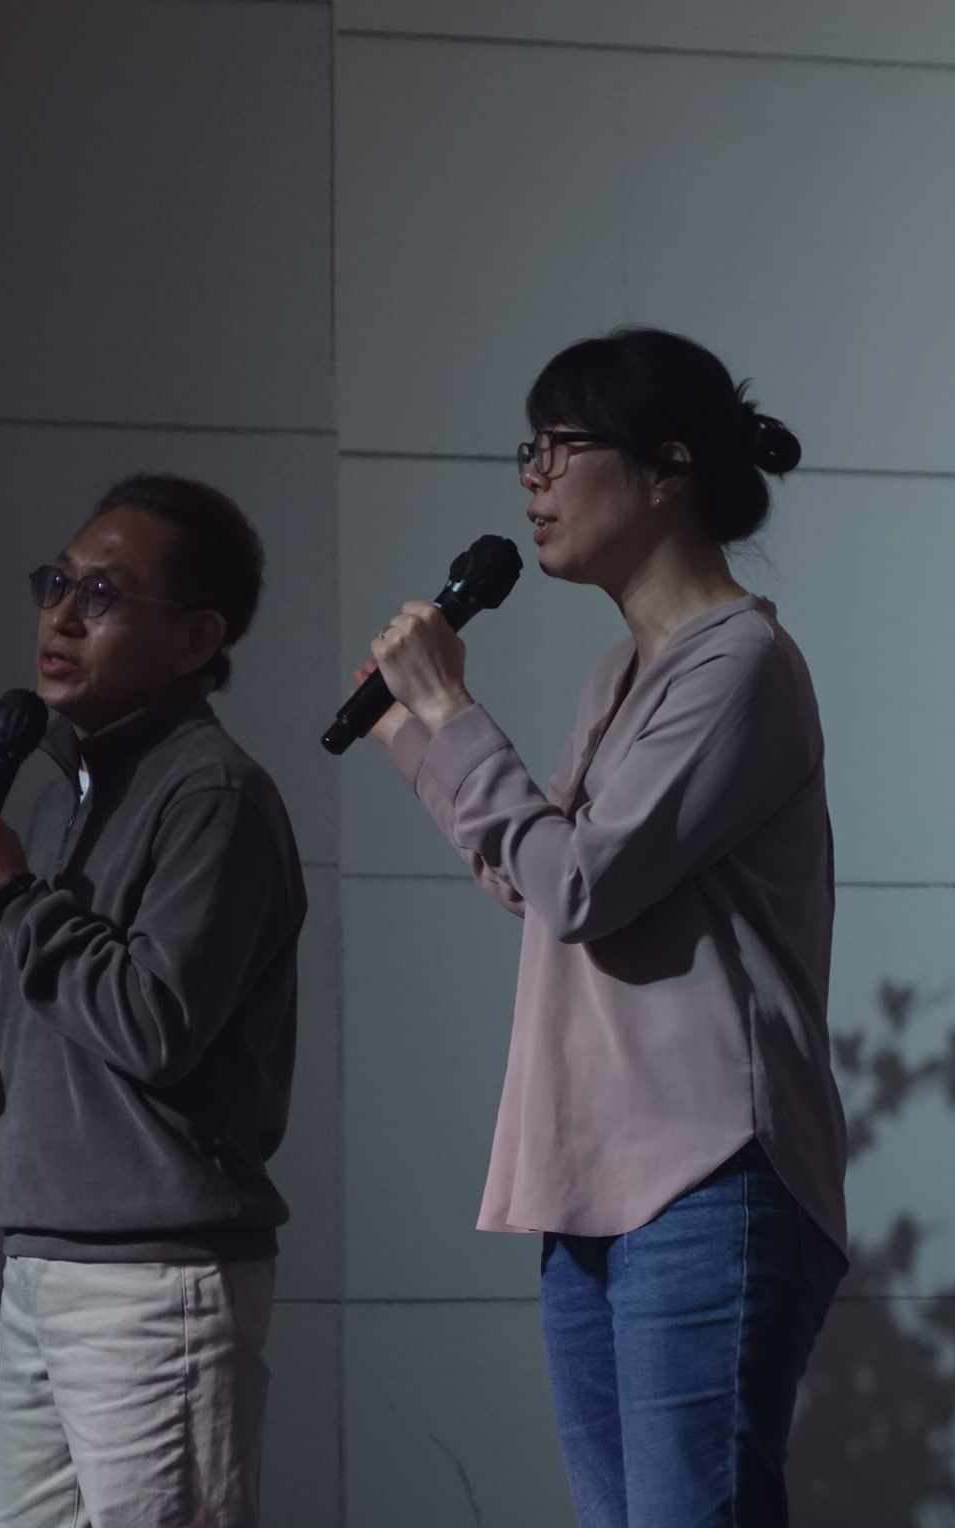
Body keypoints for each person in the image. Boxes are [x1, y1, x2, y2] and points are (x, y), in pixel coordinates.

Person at [352, 327, 847, 1527]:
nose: (531, 478)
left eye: (558, 446)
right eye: (527, 450)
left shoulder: (739, 663)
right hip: (593, 1176)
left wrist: (451, 710)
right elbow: (544, 881)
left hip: (706, 1169)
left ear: (666, 465)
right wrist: (415, 735)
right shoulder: (614, 676)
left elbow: (579, 888)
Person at [0, 473, 306, 1528]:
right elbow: (92, 1001)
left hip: (155, 1282)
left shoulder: (210, 793)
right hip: (47, 1260)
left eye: (103, 595)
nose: (62, 617)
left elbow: (156, 1024)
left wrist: (13, 894)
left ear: (196, 638)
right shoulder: (72, 787)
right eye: (57, 583)